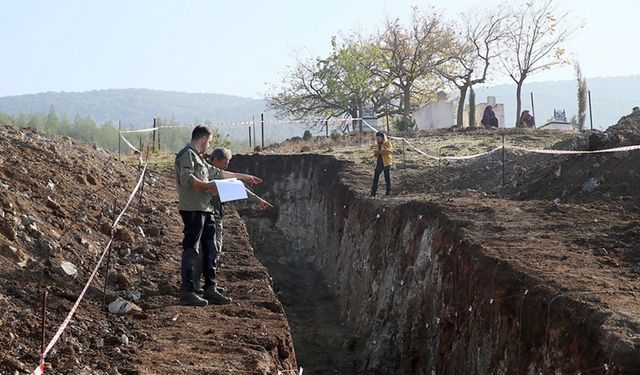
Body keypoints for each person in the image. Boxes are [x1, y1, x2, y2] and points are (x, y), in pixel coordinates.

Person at [174, 125, 263, 307]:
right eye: (209, 141)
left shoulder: (199, 158)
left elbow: (218, 174)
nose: (209, 146)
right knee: (192, 249)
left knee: (210, 248)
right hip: (193, 208)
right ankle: (187, 291)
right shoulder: (187, 155)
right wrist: (209, 187)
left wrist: (243, 177)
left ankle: (210, 288)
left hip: (205, 209)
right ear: (204, 139)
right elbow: (187, 179)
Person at [192, 147, 273, 294]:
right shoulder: (205, 173)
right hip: (205, 215)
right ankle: (197, 283)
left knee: (214, 250)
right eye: (225, 162)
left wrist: (258, 200)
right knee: (208, 250)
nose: (227, 165)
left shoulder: (218, 174)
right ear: (216, 160)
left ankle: (209, 284)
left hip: (216, 216)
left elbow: (237, 188)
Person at [370, 131, 393, 197]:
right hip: (379, 163)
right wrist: (381, 151)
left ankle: (388, 193)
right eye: (377, 138)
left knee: (387, 178)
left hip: (386, 163)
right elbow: (375, 153)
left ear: (383, 138)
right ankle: (373, 193)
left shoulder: (387, 143)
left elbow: (389, 151)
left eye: (379, 138)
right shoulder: (377, 145)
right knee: (376, 178)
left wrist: (381, 151)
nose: (377, 139)